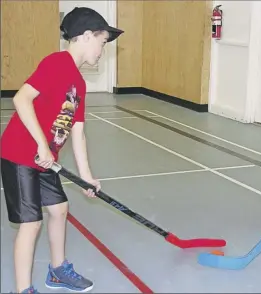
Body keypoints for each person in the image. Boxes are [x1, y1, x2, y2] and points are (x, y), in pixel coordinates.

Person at [0, 7, 124, 293]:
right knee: (31, 224)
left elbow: (77, 133)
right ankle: (23, 289)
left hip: (45, 160)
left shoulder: (79, 83)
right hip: (20, 155)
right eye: (102, 42)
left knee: (59, 209)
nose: (103, 50)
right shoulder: (56, 63)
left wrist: (87, 178)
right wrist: (43, 144)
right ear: (85, 36)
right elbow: (21, 100)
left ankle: (57, 271)